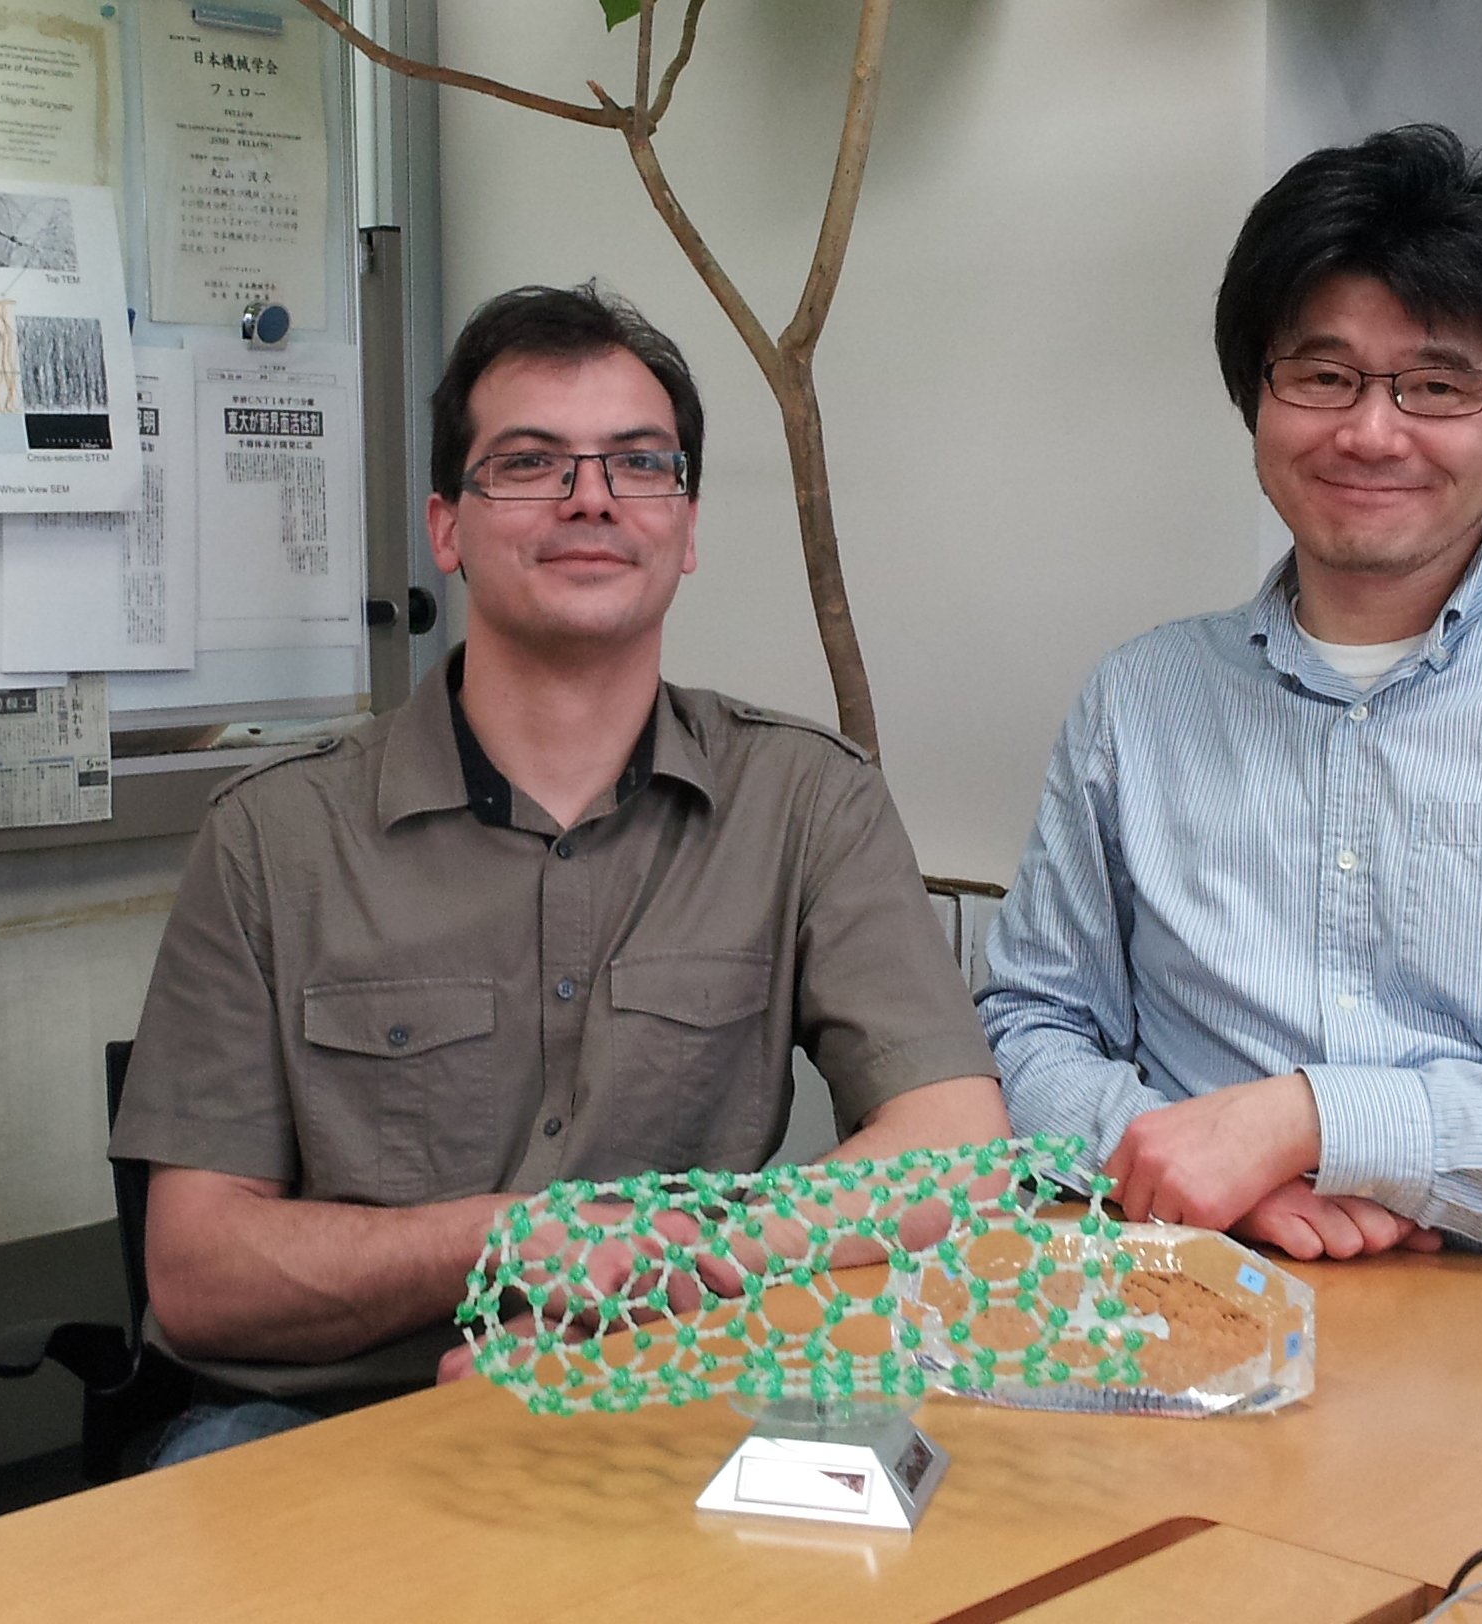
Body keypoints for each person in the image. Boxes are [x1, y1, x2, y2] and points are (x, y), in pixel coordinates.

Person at [110, 284, 1010, 1461]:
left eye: (640, 463)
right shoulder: (273, 837)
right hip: (327, 1422)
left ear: (687, 528)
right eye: (530, 463)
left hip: (678, 1383)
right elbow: (197, 1273)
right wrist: (511, 1242)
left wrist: (657, 1270)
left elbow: (955, 1144)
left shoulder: (806, 799)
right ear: (447, 529)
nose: (592, 497)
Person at [980, 124, 1482, 1295]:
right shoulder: (1140, 699)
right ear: (1256, 393)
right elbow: (1028, 1027)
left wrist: (1312, 1120)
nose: (1371, 432)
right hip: (1205, 1303)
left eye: (1437, 384)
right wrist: (1193, 1163)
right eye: (1322, 376)